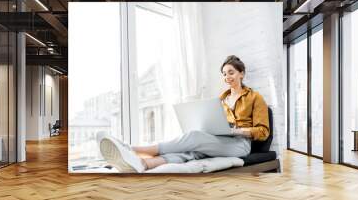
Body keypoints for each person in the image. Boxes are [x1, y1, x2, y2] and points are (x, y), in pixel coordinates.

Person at [100, 55, 270, 173]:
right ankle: (144, 163)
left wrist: (237, 131)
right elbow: (215, 123)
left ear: (242, 73)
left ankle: (133, 149)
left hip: (241, 145)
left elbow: (263, 132)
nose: (227, 77)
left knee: (194, 138)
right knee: (191, 152)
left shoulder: (255, 97)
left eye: (231, 72)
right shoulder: (221, 99)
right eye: (224, 74)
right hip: (222, 140)